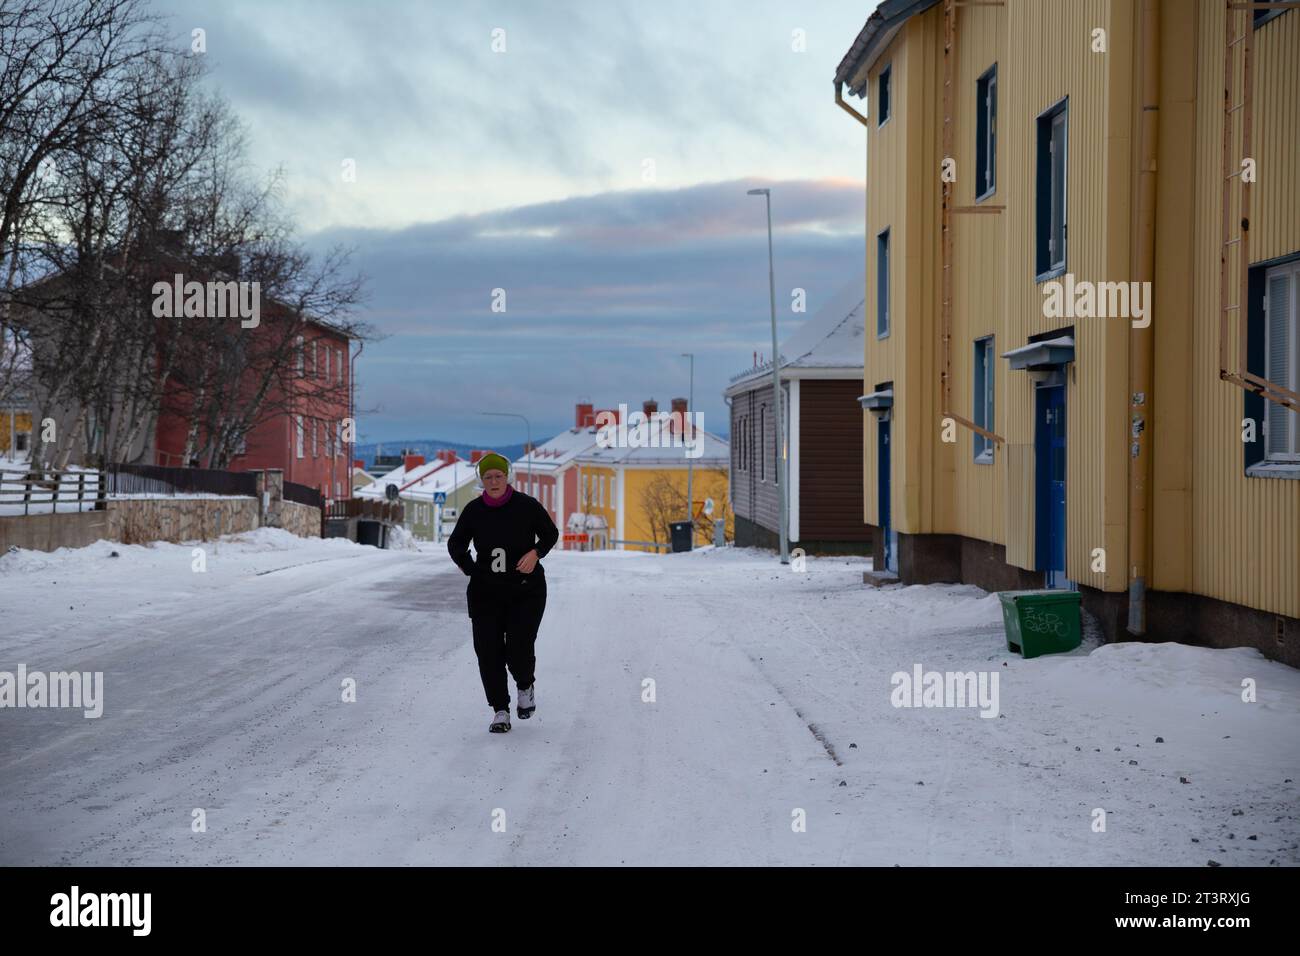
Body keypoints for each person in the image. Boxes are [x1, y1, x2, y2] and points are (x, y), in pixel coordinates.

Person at [447, 452, 559, 733]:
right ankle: (500, 710)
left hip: (525, 590)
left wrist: (536, 552)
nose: (494, 481)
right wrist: (470, 568)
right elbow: (456, 544)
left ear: (506, 477)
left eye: (498, 476)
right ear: (481, 480)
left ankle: (525, 685)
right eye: (488, 477)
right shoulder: (474, 511)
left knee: (519, 647)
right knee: (488, 652)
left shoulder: (526, 506)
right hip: (486, 592)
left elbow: (550, 533)